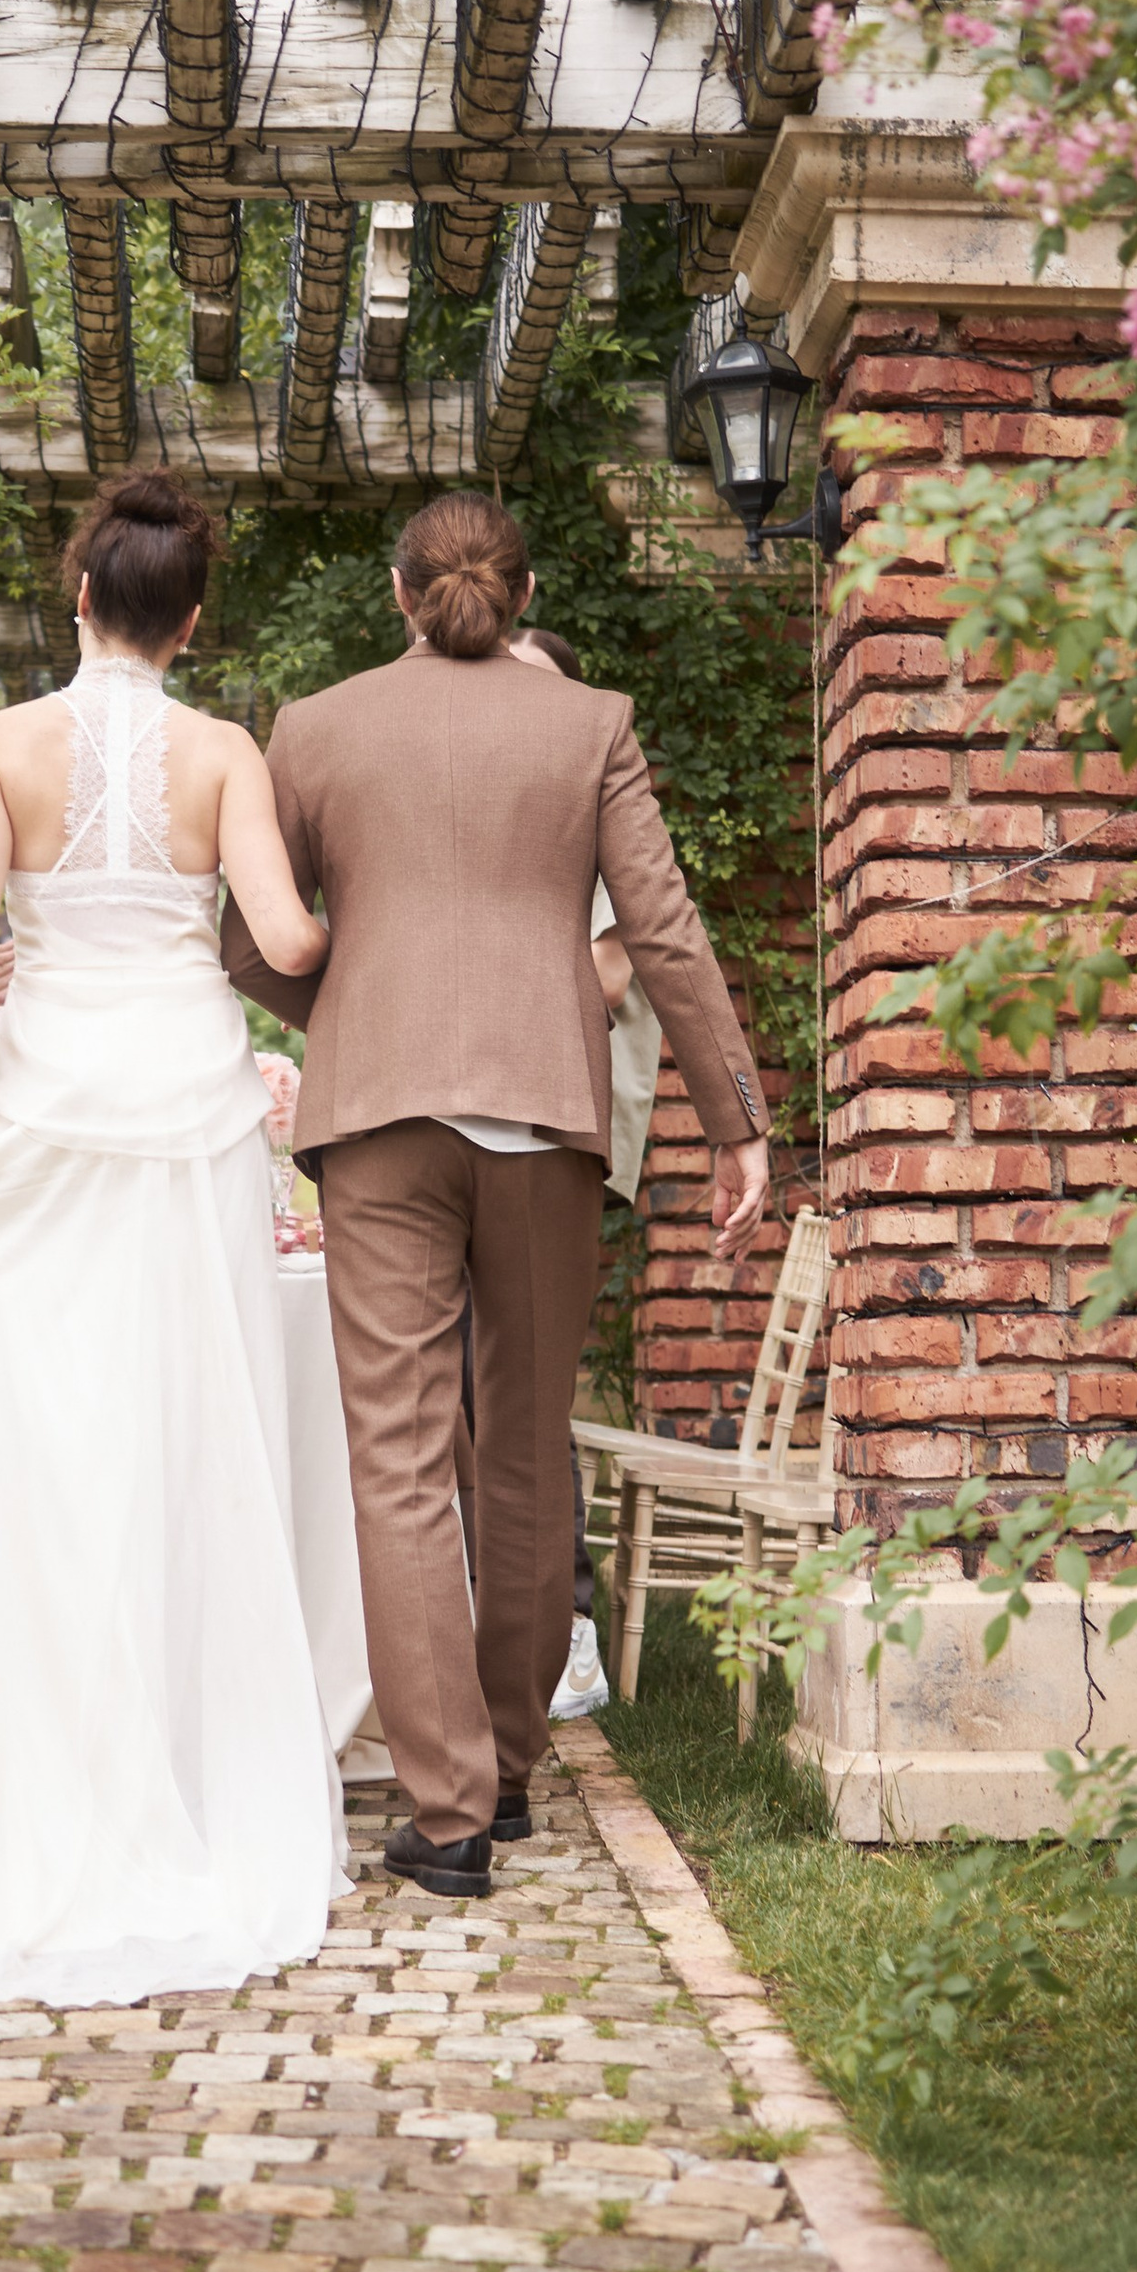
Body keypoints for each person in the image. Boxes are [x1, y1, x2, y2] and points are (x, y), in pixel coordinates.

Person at [0, 471, 346, 2002]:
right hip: (188, 1113)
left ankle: (4, 1770)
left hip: (36, 1121)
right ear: (194, 618)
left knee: (20, 1439)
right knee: (180, 1440)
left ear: (79, 599)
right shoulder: (225, 751)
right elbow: (288, 944)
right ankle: (174, 1767)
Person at [223, 491, 770, 1902]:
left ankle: (448, 1809)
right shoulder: (590, 725)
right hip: (547, 1115)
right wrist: (737, 1118)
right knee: (523, 1446)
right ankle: (514, 1766)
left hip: (380, 1122)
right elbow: (660, 927)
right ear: (520, 596)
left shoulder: (316, 727)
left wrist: (341, 1007)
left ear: (397, 593)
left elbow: (247, 937)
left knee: (399, 1459)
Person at [508, 619, 667, 1721]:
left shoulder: (587, 810)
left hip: (564, 1129)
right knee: (493, 1395)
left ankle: (565, 1638)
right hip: (516, 1122)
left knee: (527, 1396)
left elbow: (608, 979)